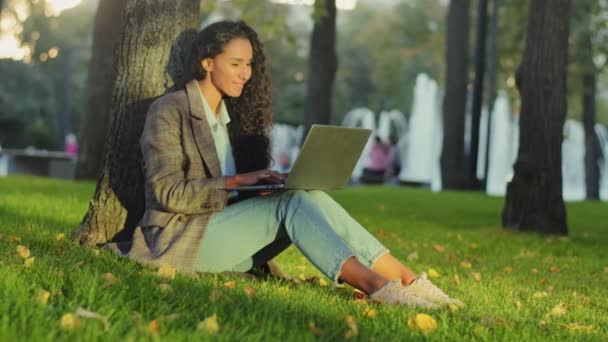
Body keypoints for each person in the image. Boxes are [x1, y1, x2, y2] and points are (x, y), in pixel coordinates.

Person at [119, 20, 462, 309]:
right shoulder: (170, 110)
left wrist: (260, 188)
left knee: (307, 194)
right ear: (208, 63)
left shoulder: (226, 118)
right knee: (294, 201)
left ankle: (407, 279)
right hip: (180, 241)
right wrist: (240, 181)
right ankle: (378, 287)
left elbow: (227, 195)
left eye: (249, 64)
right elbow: (167, 193)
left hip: (223, 238)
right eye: (236, 63)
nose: (245, 74)